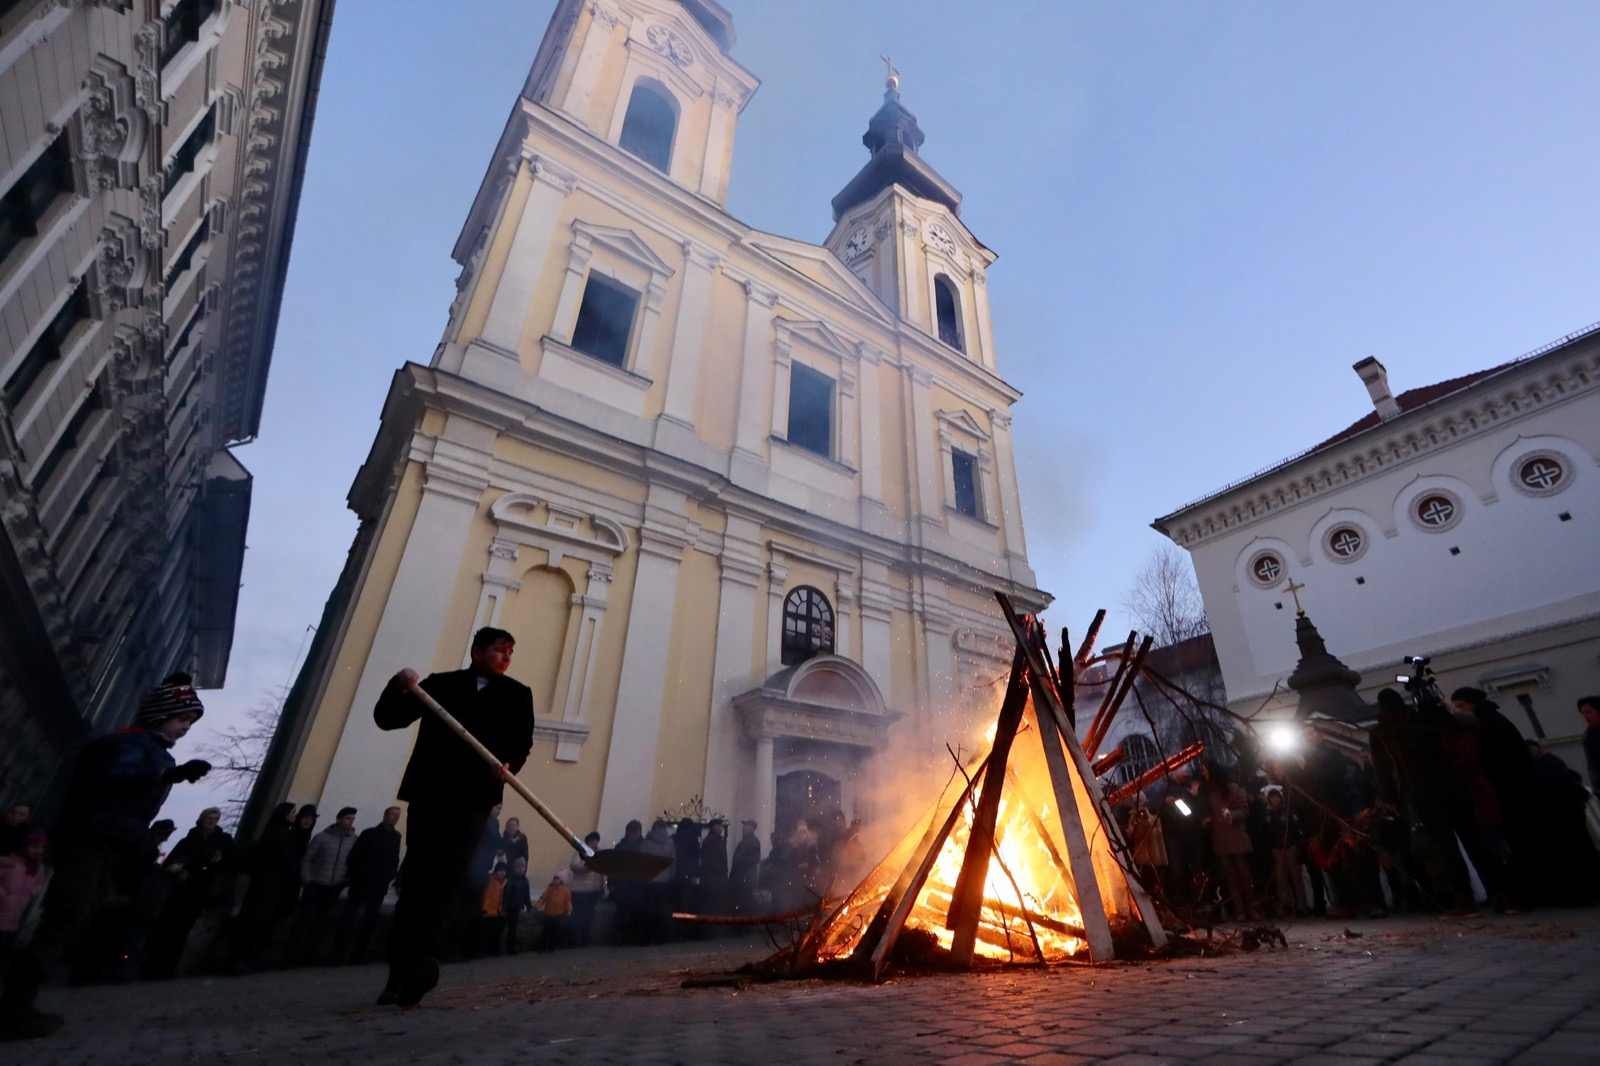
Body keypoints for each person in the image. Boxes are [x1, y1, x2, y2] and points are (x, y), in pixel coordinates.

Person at [0, 674, 210, 1041]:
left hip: (106, 844)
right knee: (65, 919)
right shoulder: (129, 745)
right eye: (182, 719)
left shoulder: (154, 751)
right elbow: (118, 779)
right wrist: (168, 774)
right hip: (89, 841)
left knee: (71, 921)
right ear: (161, 713)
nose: (186, 727)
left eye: (190, 722)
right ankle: (13, 1007)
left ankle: (18, 1003)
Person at [374, 626, 534, 1008]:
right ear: (477, 651)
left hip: (474, 800)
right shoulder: (439, 686)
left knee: (451, 877)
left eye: (511, 652)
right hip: (431, 795)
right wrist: (398, 685)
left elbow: (521, 742)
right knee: (416, 880)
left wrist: (510, 764)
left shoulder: (516, 694)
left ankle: (427, 960)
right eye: (500, 650)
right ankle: (398, 972)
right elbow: (389, 718)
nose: (506, 657)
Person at [142, 807, 235, 978]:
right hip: (183, 890)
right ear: (202, 819)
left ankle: (168, 966)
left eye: (216, 818)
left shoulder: (223, 841)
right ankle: (156, 965)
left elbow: (230, 864)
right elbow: (172, 862)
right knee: (169, 927)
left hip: (203, 891)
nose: (213, 821)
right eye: (210, 817)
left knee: (182, 930)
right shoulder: (188, 841)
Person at [231, 804, 314, 971]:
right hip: (267, 884)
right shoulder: (279, 834)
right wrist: (296, 872)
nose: (295, 815)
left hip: (273, 885)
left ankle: (249, 959)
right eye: (292, 813)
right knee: (255, 922)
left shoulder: (282, 832)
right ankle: (242, 960)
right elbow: (284, 857)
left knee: (261, 922)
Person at [290, 806, 359, 963]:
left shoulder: (354, 840)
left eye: (353, 819)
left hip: (334, 886)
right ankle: (293, 956)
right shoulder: (322, 837)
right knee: (303, 921)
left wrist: (345, 880)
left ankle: (310, 954)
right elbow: (307, 858)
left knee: (322, 922)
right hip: (315, 884)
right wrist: (307, 879)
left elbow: (353, 862)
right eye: (348, 818)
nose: (351, 822)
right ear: (339, 819)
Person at [335, 806, 402, 963]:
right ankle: (337, 954)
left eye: (398, 816)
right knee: (349, 918)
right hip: (362, 883)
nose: (396, 818)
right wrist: (360, 876)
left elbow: (394, 860)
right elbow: (355, 857)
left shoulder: (396, 837)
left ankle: (358, 954)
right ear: (385, 815)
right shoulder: (369, 834)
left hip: (379, 886)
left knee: (369, 921)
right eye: (393, 815)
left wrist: (389, 876)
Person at [0, 833, 48, 963]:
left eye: (41, 847)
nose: (38, 850)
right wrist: (4, 893)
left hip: (17, 913)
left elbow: (39, 883)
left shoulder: (38, 867)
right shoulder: (11, 862)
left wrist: (31, 893)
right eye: (34, 847)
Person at [610, 821, 646, 944]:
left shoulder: (621, 846)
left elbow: (613, 866)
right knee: (629, 912)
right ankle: (626, 938)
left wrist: (612, 883)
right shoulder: (643, 846)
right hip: (632, 885)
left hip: (626, 884)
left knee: (624, 912)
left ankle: (621, 938)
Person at [640, 820, 676, 944]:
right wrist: (670, 877)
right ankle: (662, 937)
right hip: (664, 881)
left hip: (650, 880)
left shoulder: (647, 842)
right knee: (662, 909)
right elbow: (673, 862)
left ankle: (647, 938)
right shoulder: (670, 842)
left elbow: (641, 860)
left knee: (649, 909)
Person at [566, 833, 604, 946]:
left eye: (596, 841)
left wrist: (602, 886)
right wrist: (589, 865)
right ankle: (572, 941)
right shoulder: (580, 851)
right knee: (577, 916)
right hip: (580, 890)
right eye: (592, 841)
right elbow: (574, 866)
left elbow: (602, 871)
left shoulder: (600, 853)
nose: (595, 844)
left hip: (594, 891)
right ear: (587, 842)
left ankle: (584, 940)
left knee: (588, 917)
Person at [472, 862, 509, 958]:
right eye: (500, 871)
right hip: (486, 911)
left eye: (504, 871)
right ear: (496, 871)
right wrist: (482, 908)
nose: (502, 873)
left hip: (496, 912)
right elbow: (485, 896)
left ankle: (493, 950)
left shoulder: (504, 882)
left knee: (495, 934)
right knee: (482, 934)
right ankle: (478, 952)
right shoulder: (489, 880)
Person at [533, 872, 572, 953]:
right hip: (548, 913)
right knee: (545, 932)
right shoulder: (550, 889)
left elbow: (568, 901)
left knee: (554, 932)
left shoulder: (566, 890)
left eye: (557, 878)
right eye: (555, 878)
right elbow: (543, 898)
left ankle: (551, 947)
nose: (555, 880)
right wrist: (537, 906)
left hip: (559, 914)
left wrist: (568, 909)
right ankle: (542, 947)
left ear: (562, 880)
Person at [730, 820, 761, 915]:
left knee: (744, 906)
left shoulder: (753, 842)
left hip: (745, 880)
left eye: (746, 826)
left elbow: (754, 859)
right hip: (742, 879)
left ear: (751, 828)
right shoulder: (745, 841)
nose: (743, 828)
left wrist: (741, 862)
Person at [699, 819, 729, 917]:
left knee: (716, 905)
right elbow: (710, 861)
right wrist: (721, 872)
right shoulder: (710, 841)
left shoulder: (719, 840)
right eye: (719, 826)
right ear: (713, 827)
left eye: (721, 826)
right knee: (711, 906)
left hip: (718, 880)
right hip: (712, 880)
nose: (721, 828)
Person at [503, 857, 532, 954]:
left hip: (516, 907)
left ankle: (511, 947)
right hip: (508, 907)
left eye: (523, 866)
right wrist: (504, 907)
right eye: (519, 867)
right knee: (502, 927)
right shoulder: (510, 879)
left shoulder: (525, 880)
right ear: (514, 868)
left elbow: (526, 894)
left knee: (513, 928)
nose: (521, 869)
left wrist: (529, 905)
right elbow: (506, 894)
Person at [1580, 696, 1600, 791]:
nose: (1586, 716)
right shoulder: (1588, 738)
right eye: (1583, 713)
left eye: (1588, 712)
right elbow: (1592, 765)